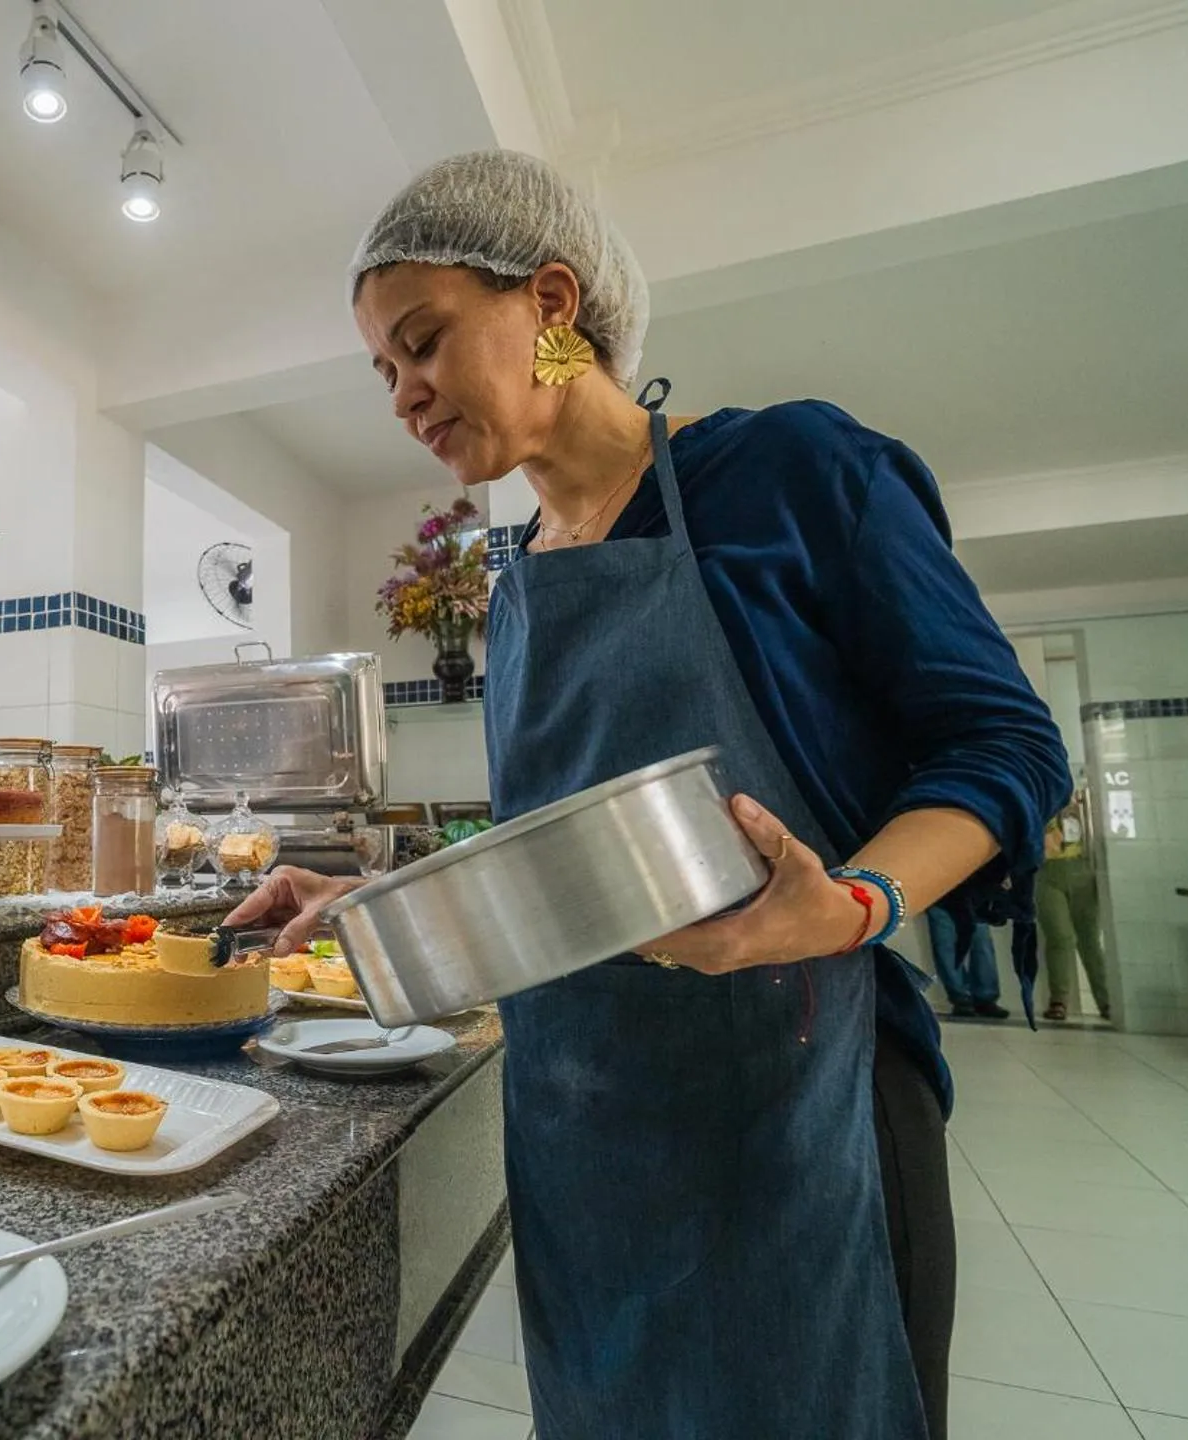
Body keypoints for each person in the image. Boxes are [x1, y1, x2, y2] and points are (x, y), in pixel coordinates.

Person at [227, 151, 1069, 1440]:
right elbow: (560, 860)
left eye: (424, 341)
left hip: (806, 1116)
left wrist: (850, 903)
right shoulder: (516, 591)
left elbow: (1007, 747)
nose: (403, 394)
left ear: (554, 303)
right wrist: (386, 897)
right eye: (383, 370)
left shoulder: (792, 472)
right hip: (588, 1142)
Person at [1037, 784, 1109, 1021]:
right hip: (1047, 872)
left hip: (1083, 869)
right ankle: (1059, 999)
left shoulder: (1081, 802)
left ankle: (1107, 1000)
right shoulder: (1036, 801)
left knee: (1090, 939)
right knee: (1060, 936)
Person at [924, 905, 1009, 1019]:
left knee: (976, 944)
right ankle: (969, 998)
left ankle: (974, 998)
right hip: (945, 895)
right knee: (948, 946)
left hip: (968, 894)